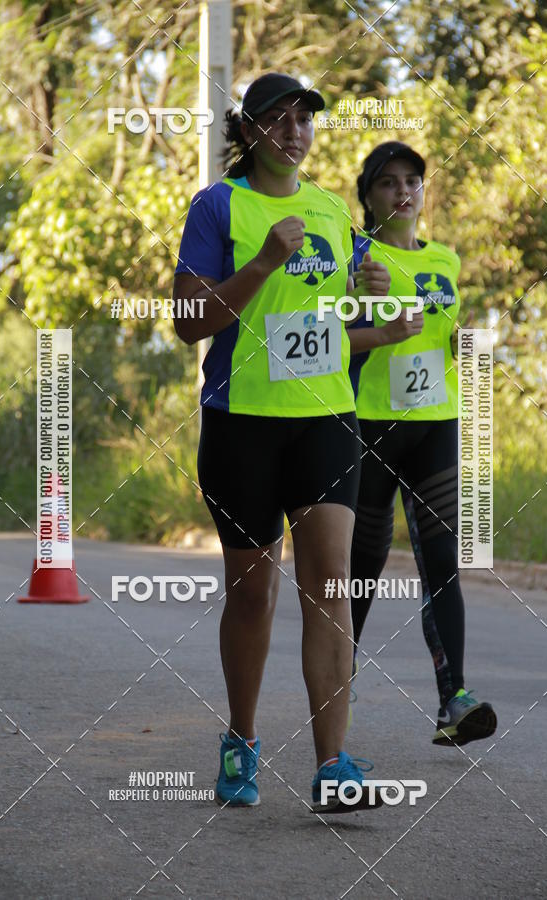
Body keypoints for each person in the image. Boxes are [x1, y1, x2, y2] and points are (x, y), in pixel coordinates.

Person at [172, 74, 389, 812]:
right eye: (278, 119)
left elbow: (343, 311)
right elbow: (188, 319)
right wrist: (261, 262)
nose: (294, 131)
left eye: (305, 119)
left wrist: (373, 286)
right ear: (249, 131)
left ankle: (334, 767)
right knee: (254, 594)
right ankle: (241, 739)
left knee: (329, 588)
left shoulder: (331, 208)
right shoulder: (218, 206)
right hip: (242, 428)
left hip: (327, 420)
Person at [347, 141, 497, 747]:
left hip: (435, 421)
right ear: (368, 197)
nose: (403, 191)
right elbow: (331, 329)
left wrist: (464, 346)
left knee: (443, 564)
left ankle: (454, 701)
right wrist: (365, 306)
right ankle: (336, 680)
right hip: (367, 426)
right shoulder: (354, 256)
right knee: (361, 570)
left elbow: (441, 337)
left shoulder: (448, 261)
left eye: (413, 180)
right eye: (388, 183)